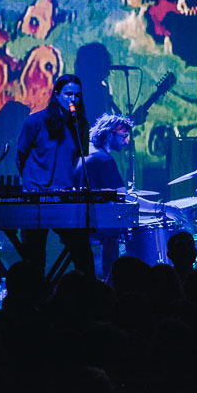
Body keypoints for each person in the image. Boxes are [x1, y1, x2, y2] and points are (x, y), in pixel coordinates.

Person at [15, 74, 94, 276]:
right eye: (68, 94)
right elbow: (20, 155)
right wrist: (32, 182)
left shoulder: (80, 125)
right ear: (57, 94)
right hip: (36, 197)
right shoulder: (35, 121)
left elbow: (79, 160)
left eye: (77, 95)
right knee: (34, 256)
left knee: (82, 251)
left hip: (64, 197)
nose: (73, 99)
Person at [73, 113, 134, 278]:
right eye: (124, 136)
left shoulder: (84, 153)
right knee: (130, 226)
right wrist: (160, 208)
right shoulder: (104, 160)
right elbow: (124, 197)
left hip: (77, 223)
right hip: (97, 225)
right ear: (109, 133)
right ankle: (113, 280)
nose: (127, 141)